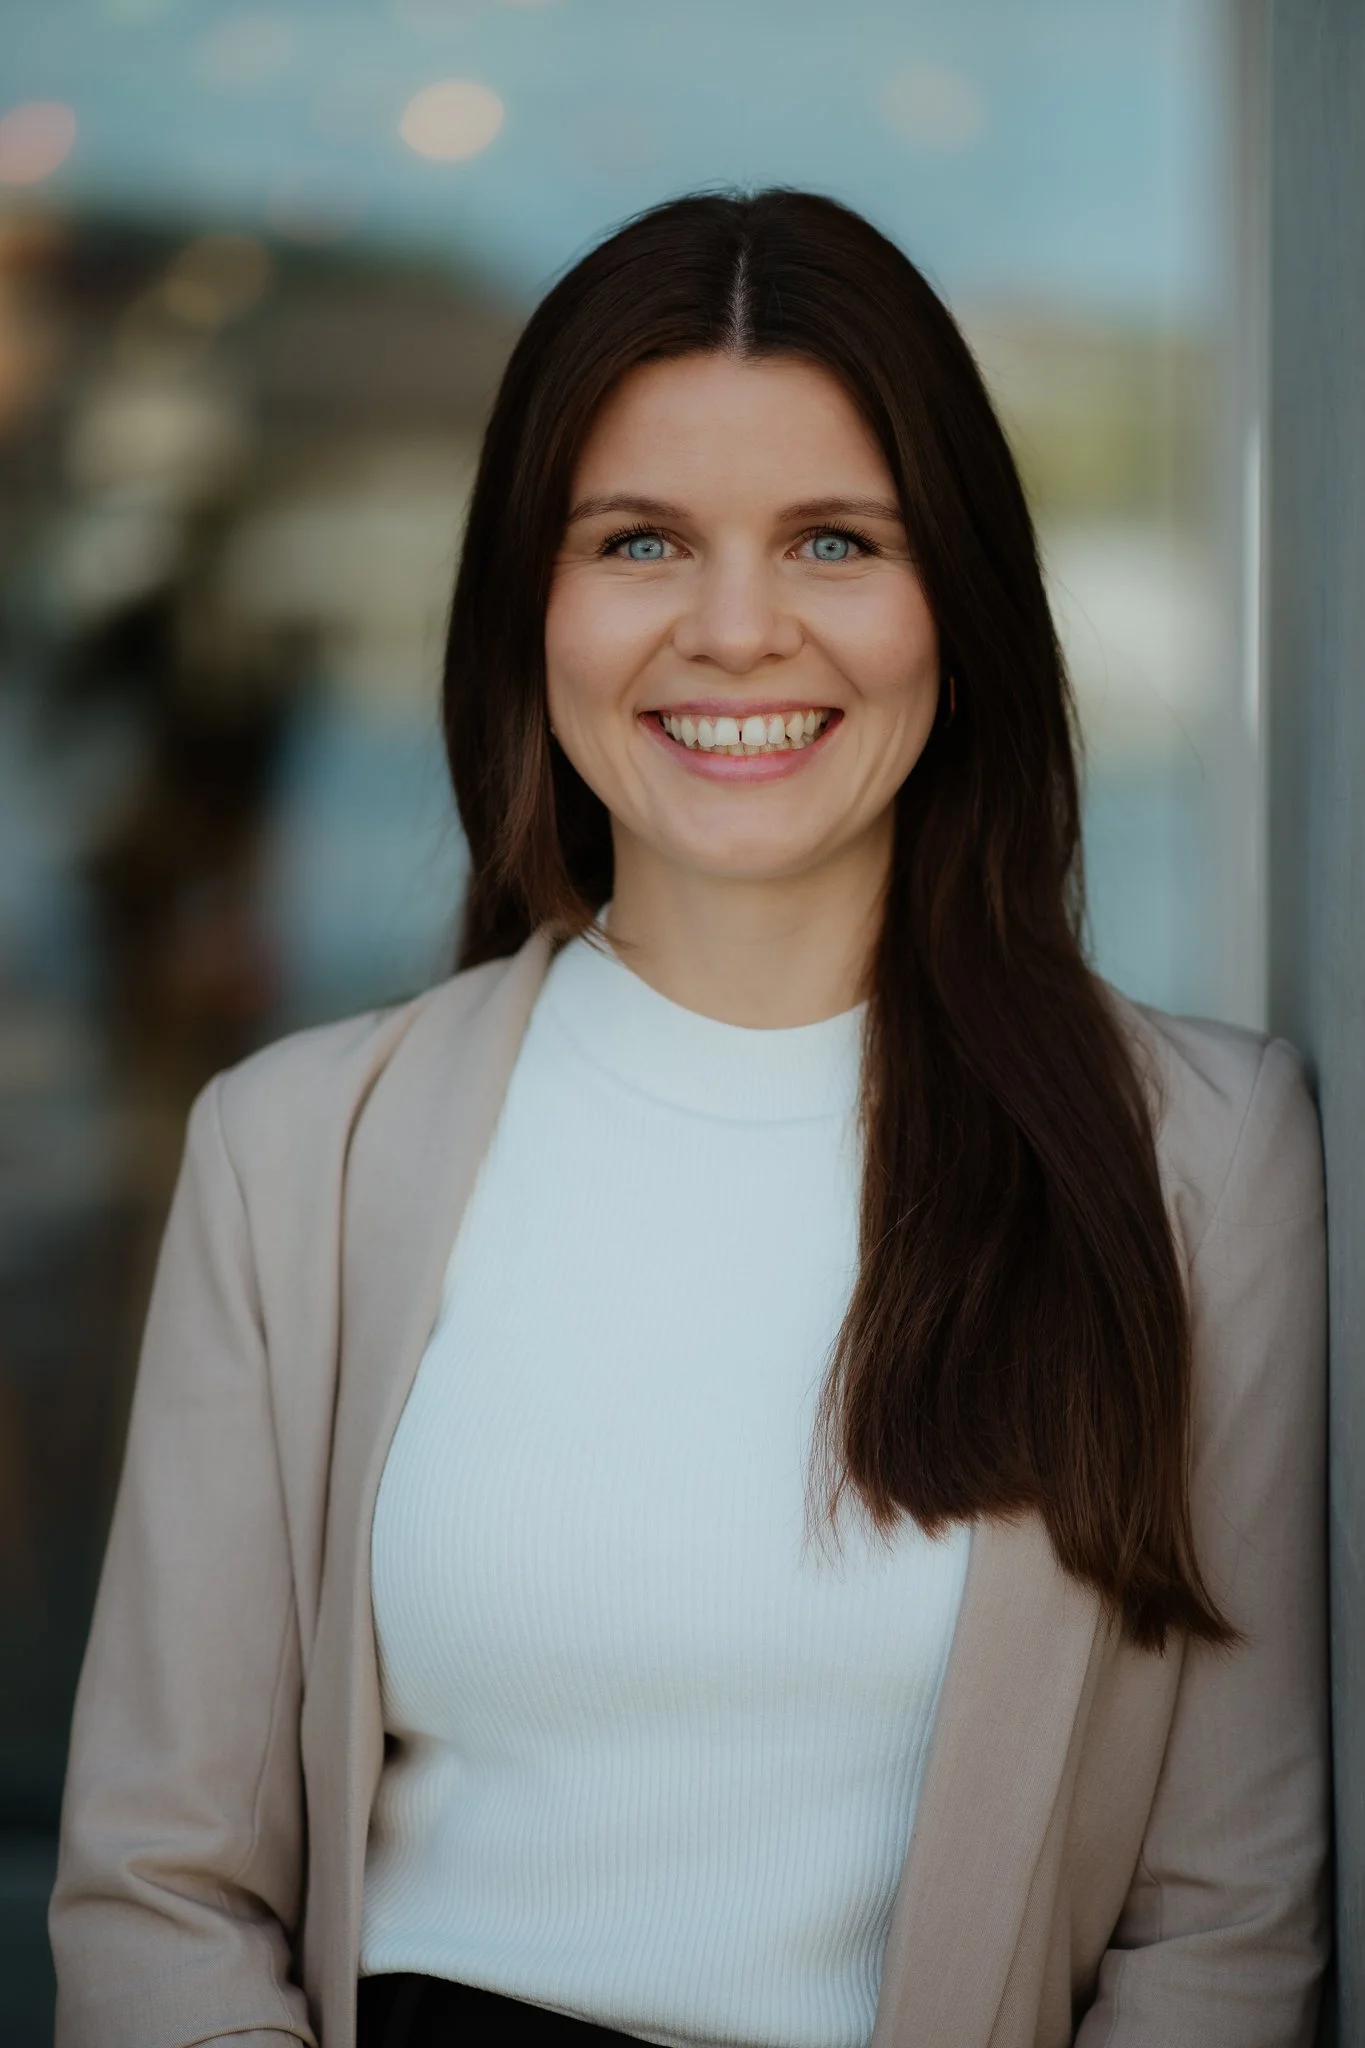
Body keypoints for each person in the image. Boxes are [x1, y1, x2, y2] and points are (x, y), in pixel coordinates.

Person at [49, 189, 1329, 2048]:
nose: (739, 632)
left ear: (951, 604)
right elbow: (164, 1890)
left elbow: (1223, 1918)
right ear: (532, 609)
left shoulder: (1206, 1159)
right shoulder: (297, 1155)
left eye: (832, 538)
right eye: (642, 541)